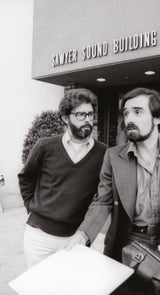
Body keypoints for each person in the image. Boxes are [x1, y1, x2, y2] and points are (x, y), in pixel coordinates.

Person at [77, 87, 160, 293]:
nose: (129, 118)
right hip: (127, 246)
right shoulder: (112, 156)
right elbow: (102, 202)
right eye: (126, 113)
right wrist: (83, 234)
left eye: (137, 112)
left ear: (158, 117)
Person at [18, 88, 108, 268]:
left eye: (90, 114)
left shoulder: (103, 153)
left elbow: (102, 196)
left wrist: (85, 232)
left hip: (75, 238)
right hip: (39, 238)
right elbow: (26, 178)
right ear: (66, 118)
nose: (88, 120)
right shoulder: (45, 147)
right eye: (81, 115)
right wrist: (33, 208)